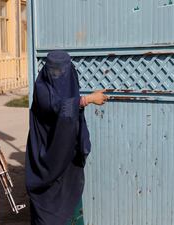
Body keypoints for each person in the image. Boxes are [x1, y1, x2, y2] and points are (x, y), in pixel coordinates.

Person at [25, 50, 108, 225]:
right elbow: (56, 107)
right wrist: (87, 99)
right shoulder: (42, 90)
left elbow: (69, 111)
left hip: (68, 165)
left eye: (62, 70)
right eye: (53, 70)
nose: (58, 75)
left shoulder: (70, 85)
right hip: (46, 164)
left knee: (72, 209)